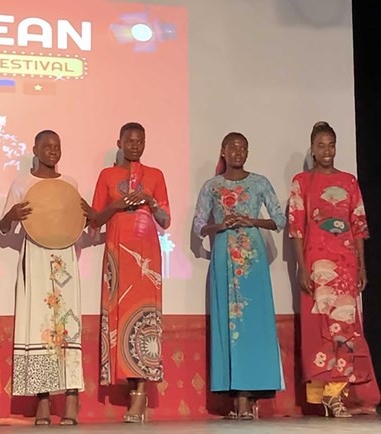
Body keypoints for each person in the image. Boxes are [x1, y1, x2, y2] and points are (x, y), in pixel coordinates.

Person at [192, 132, 285, 420]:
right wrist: (218, 226)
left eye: (243, 148)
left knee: (253, 325)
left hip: (252, 260)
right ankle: (237, 398)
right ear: (223, 151)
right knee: (227, 325)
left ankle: (252, 394)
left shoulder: (259, 183)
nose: (238, 152)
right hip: (223, 259)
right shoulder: (212, 186)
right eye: (232, 147)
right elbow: (198, 226)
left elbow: (280, 219)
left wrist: (251, 220)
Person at [0, 130, 89, 426]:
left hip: (64, 260)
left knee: (67, 323)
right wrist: (11, 215)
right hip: (36, 257)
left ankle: (72, 397)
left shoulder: (70, 184)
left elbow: (81, 221)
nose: (52, 150)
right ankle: (43, 398)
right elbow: (3, 229)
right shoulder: (23, 183)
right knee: (39, 324)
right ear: (35, 149)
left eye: (57, 146)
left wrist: (89, 214)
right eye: (46, 146)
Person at [288, 121, 377, 417]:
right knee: (319, 331)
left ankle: (338, 394)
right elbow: (297, 229)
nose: (327, 151)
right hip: (316, 267)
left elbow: (358, 226)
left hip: (346, 266)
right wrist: (302, 269)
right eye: (321, 146)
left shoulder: (349, 181)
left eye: (331, 145)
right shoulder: (302, 181)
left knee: (345, 329)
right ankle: (323, 396)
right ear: (312, 149)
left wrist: (362, 267)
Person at [90, 122, 170, 423]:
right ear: (119, 142)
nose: (134, 145)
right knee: (119, 318)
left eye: (140, 141)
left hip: (146, 255)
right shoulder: (107, 176)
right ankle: (128, 386)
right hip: (117, 254)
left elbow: (165, 219)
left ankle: (140, 393)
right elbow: (95, 220)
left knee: (144, 319)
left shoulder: (156, 175)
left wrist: (150, 202)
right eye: (129, 140)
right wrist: (117, 205)